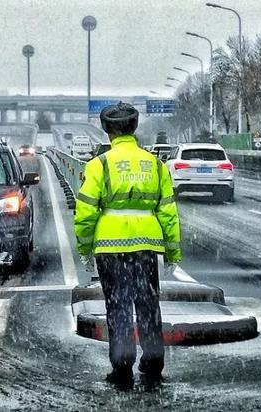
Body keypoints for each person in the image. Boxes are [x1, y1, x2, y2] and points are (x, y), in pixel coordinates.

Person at [74, 102, 182, 388]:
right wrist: (173, 251)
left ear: (107, 130)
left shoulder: (100, 165)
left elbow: (85, 212)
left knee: (118, 306)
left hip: (110, 249)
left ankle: (122, 367)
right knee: (148, 304)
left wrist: (84, 248)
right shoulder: (155, 165)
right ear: (134, 128)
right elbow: (168, 211)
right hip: (146, 247)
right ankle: (153, 362)